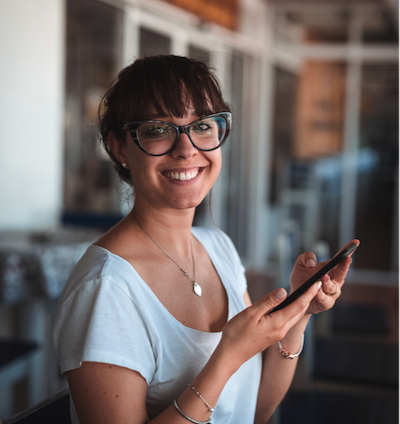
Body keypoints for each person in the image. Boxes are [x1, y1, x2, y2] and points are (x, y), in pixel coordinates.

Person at [53, 55, 358, 424]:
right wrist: (228, 355)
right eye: (157, 129)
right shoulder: (105, 289)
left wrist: (299, 313)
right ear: (119, 147)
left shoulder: (217, 247)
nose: (186, 149)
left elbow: (256, 410)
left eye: (203, 125)